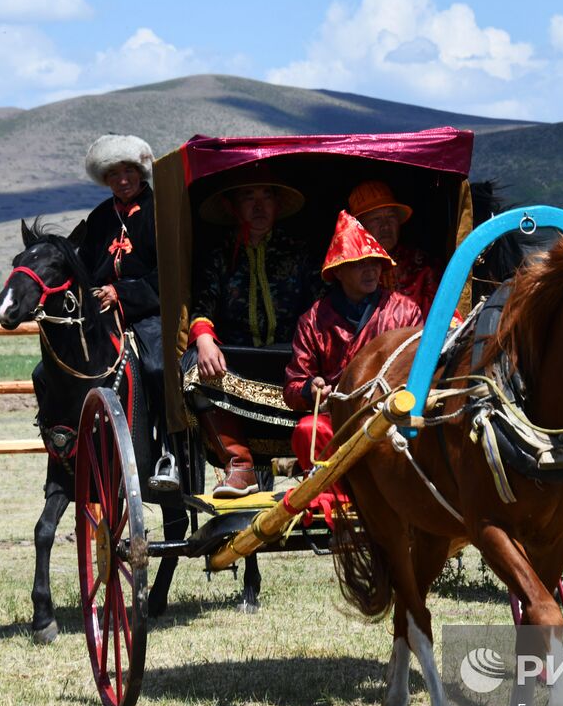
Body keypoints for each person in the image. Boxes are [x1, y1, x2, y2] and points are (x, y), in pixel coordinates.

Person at [187, 172, 319, 497]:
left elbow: (319, 304)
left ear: (277, 204)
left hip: (292, 360)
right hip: (236, 359)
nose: (259, 206)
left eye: (267, 196)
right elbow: (203, 302)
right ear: (233, 207)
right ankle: (240, 466)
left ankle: (321, 467)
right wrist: (204, 339)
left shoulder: (299, 250)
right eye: (249, 197)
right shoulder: (218, 253)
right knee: (191, 368)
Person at [284, 210, 423, 475]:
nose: (370, 270)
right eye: (359, 263)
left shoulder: (406, 311)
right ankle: (330, 500)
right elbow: (292, 387)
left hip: (389, 418)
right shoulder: (313, 320)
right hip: (336, 420)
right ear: (338, 271)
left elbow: (421, 371)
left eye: (374, 262)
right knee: (307, 430)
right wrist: (310, 390)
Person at [78, 133, 176, 486]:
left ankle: (169, 452)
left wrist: (120, 293)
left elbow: (168, 272)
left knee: (156, 366)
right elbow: (85, 267)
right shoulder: (100, 217)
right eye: (114, 174)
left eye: (129, 171)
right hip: (103, 315)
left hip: (150, 311)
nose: (123, 180)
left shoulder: (161, 209)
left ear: (142, 172)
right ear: (105, 180)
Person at [348, 180, 442, 315]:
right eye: (376, 219)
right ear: (359, 227)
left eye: (391, 217)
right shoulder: (347, 270)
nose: (385, 226)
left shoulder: (423, 265)